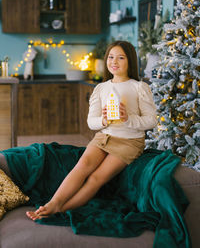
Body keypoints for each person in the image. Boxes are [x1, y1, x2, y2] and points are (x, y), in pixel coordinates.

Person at [26, 40, 157, 220]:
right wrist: (103, 120)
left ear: (130, 61)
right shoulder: (101, 88)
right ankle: (52, 203)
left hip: (129, 142)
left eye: (120, 57)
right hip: (103, 137)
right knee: (81, 167)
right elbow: (91, 122)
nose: (114, 62)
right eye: (111, 57)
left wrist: (128, 119)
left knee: (96, 179)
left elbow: (151, 120)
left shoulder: (139, 87)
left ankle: (59, 211)